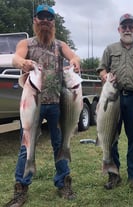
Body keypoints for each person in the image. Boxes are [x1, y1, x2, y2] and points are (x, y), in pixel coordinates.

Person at [5, 4, 80, 207]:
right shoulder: (26, 43)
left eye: (49, 18)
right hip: (32, 105)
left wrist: (74, 61)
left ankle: (63, 182)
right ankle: (21, 188)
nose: (45, 21)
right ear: (35, 21)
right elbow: (15, 57)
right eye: (41, 17)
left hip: (56, 104)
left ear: (53, 23)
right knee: (26, 146)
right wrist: (23, 63)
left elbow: (73, 55)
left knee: (60, 144)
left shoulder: (59, 44)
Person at [97, 13, 133, 191]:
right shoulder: (110, 49)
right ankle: (114, 174)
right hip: (114, 97)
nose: (127, 29)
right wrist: (105, 76)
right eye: (124, 27)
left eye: (130, 26)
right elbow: (102, 69)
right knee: (112, 136)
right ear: (119, 29)